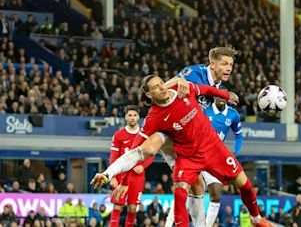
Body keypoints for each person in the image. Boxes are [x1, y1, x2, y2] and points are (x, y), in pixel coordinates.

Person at [91, 75, 273, 227]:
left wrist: (225, 94)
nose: (161, 87)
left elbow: (207, 90)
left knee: (244, 183)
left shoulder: (182, 89)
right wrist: (113, 176)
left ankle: (256, 218)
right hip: (188, 156)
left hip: (212, 146)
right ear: (148, 94)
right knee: (179, 191)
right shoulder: (154, 118)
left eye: (161, 83)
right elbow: (135, 151)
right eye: (155, 87)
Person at [166, 46, 241, 226]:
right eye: (224, 64)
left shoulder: (214, 86)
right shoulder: (194, 73)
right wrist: (177, 81)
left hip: (186, 139)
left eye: (230, 64)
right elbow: (167, 85)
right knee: (187, 184)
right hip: (169, 135)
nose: (229, 68)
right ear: (212, 64)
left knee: (196, 185)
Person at [202, 85, 243, 226]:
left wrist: (235, 152)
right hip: (197, 154)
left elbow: (239, 135)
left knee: (216, 195)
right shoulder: (204, 110)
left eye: (224, 95)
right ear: (214, 96)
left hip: (215, 158)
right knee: (186, 190)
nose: (221, 98)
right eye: (218, 95)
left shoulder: (233, 115)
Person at [108, 105, 153, 227]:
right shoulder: (118, 135)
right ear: (125, 117)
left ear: (138, 117)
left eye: (134, 115)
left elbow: (151, 154)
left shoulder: (145, 135)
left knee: (132, 208)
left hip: (137, 176)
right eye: (130, 115)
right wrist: (112, 176)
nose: (132, 118)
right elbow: (113, 156)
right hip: (121, 175)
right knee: (118, 205)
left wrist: (143, 166)